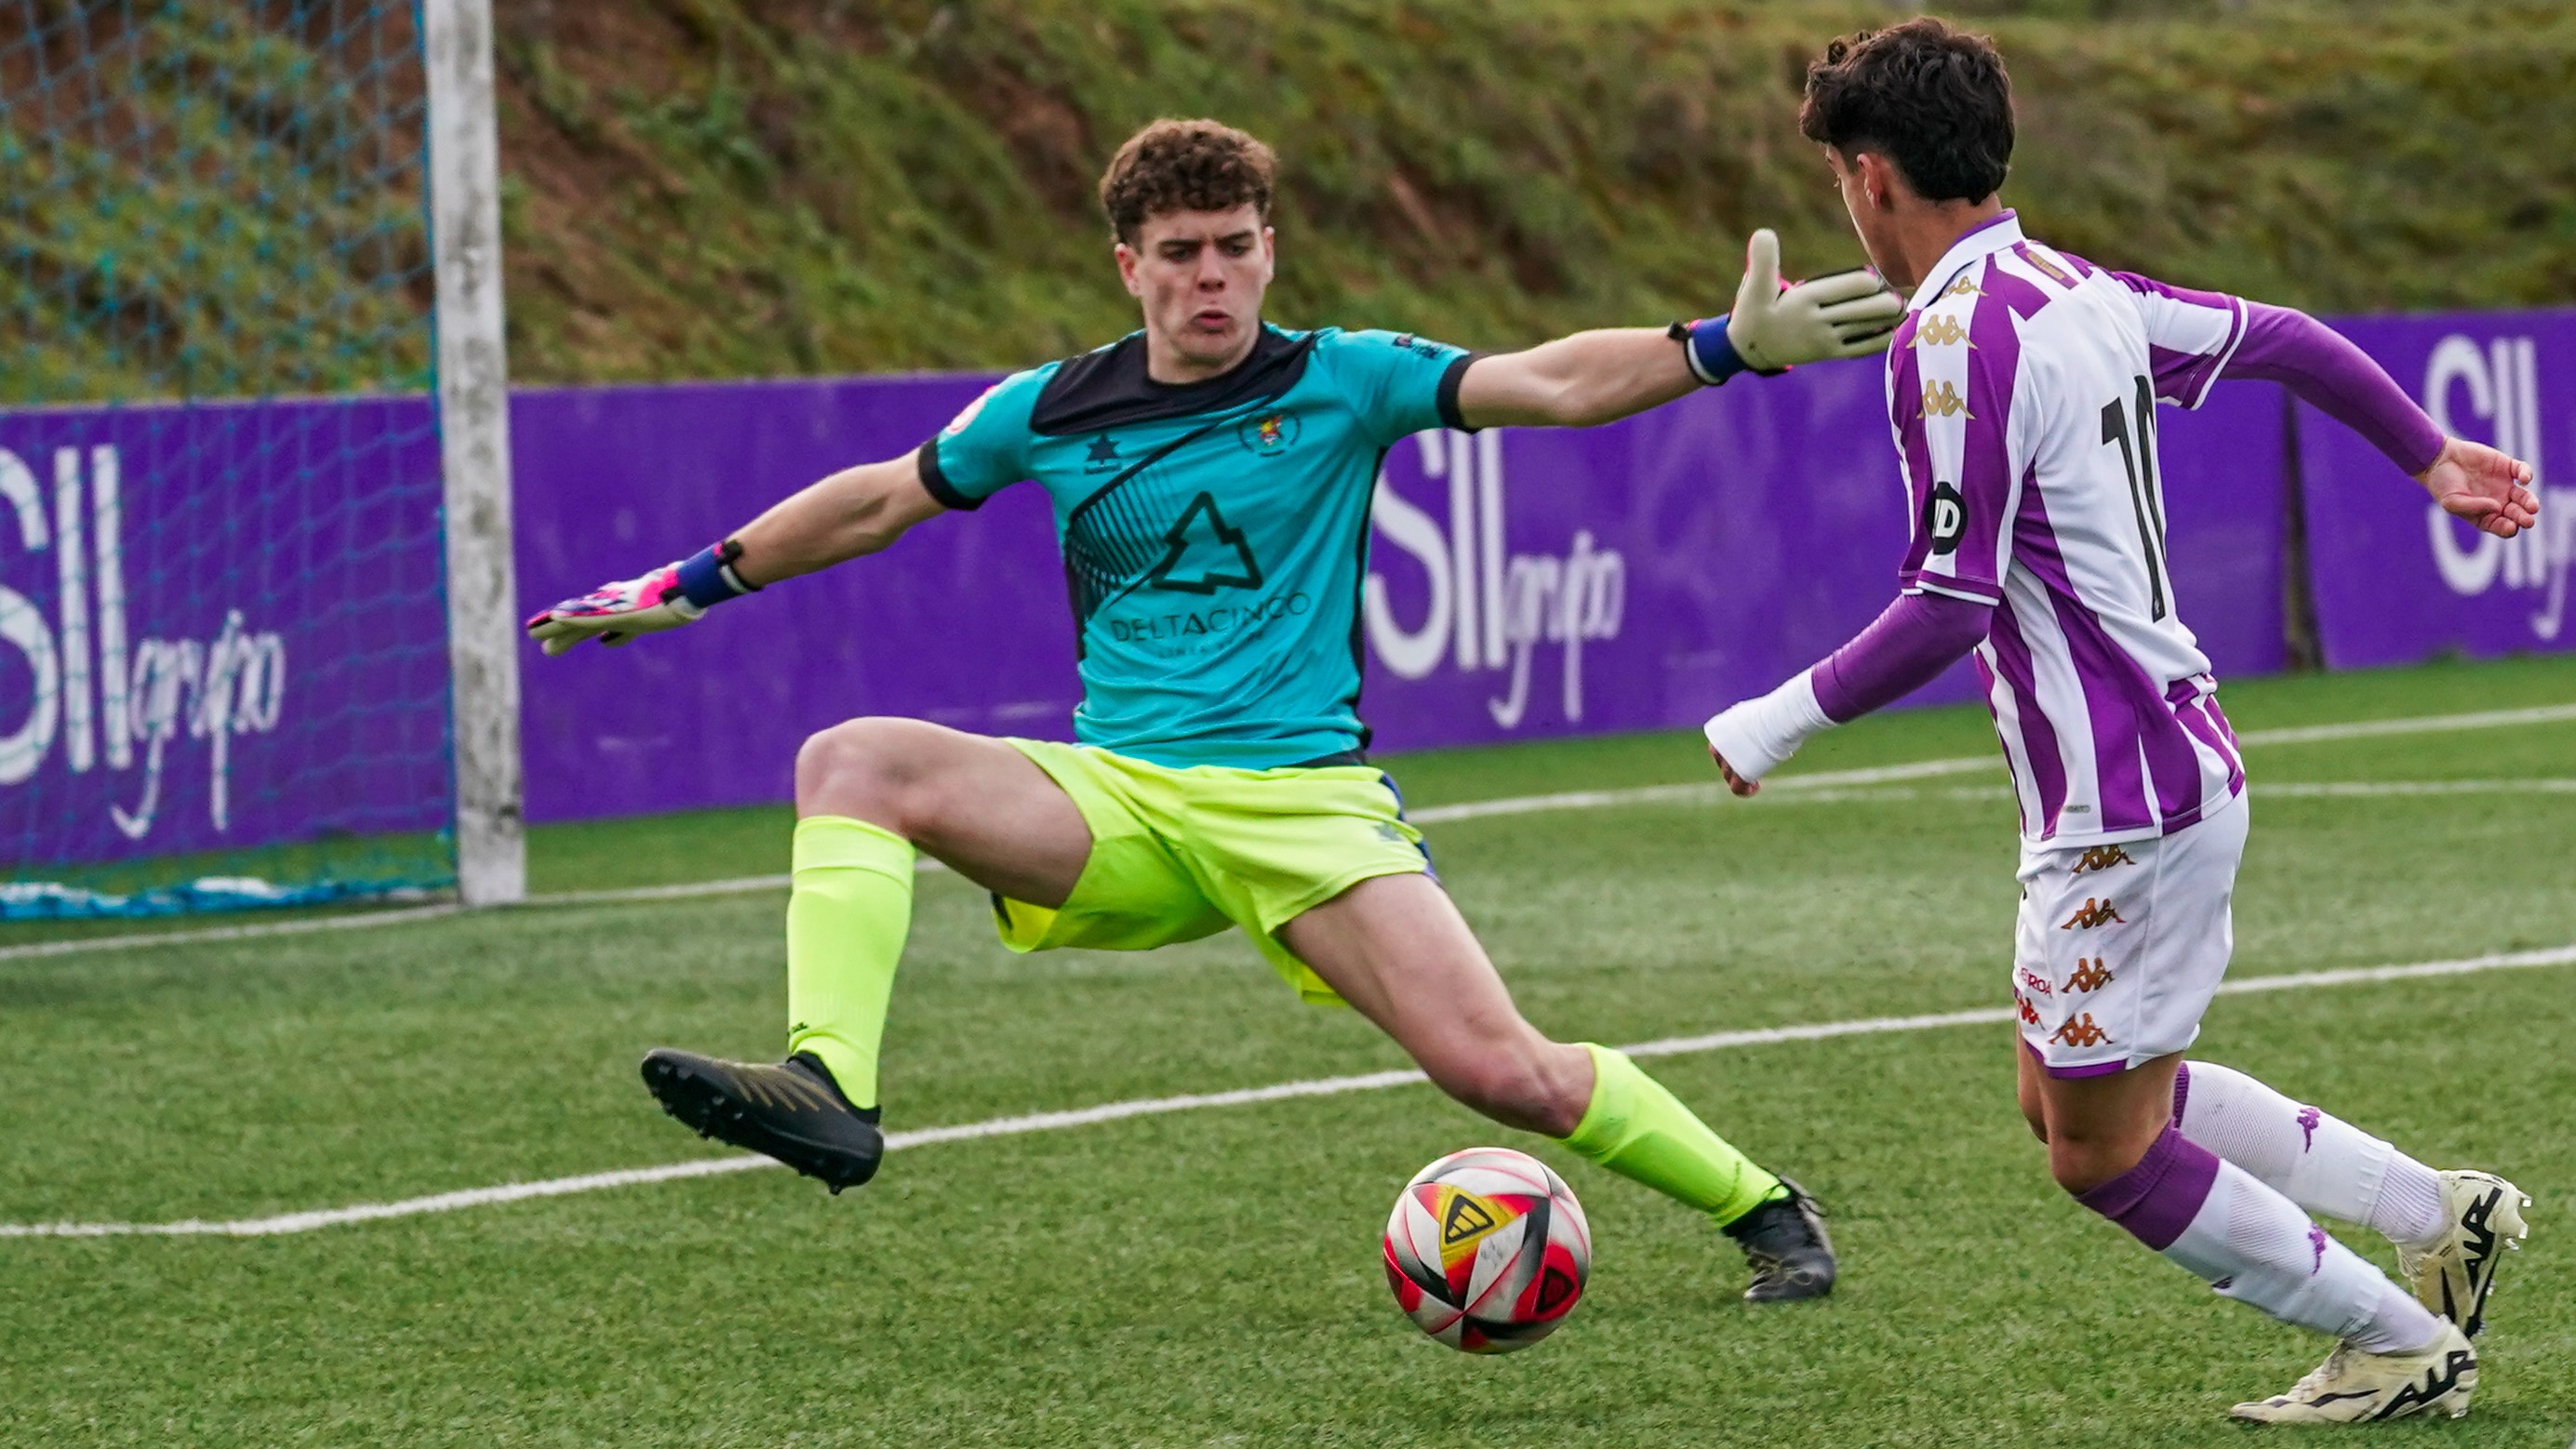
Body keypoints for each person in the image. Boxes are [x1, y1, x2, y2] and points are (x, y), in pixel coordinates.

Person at [527, 118, 1903, 1301]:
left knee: (1508, 1078)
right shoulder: (1052, 409)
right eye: (1180, 251)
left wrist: (1724, 345)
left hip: (1305, 807)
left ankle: (1764, 1207)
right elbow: (881, 497)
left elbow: (1544, 381)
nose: (1211, 275)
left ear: (1267, 250)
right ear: (1128, 264)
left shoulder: (1339, 378)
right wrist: (690, 582)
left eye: (1235, 245)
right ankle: (830, 1083)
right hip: (1118, 800)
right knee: (852, 758)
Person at [1700, 19, 2536, 1417]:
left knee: (2096, 1150)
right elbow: (2281, 335)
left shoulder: (1951, 339)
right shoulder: (2066, 286)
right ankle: (2432, 1212)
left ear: (1868, 178)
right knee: (2061, 1099)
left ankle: (2395, 1336)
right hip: (2143, 770)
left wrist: (1773, 719)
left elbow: (1948, 602)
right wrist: (2429, 453)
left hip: (2120, 799)